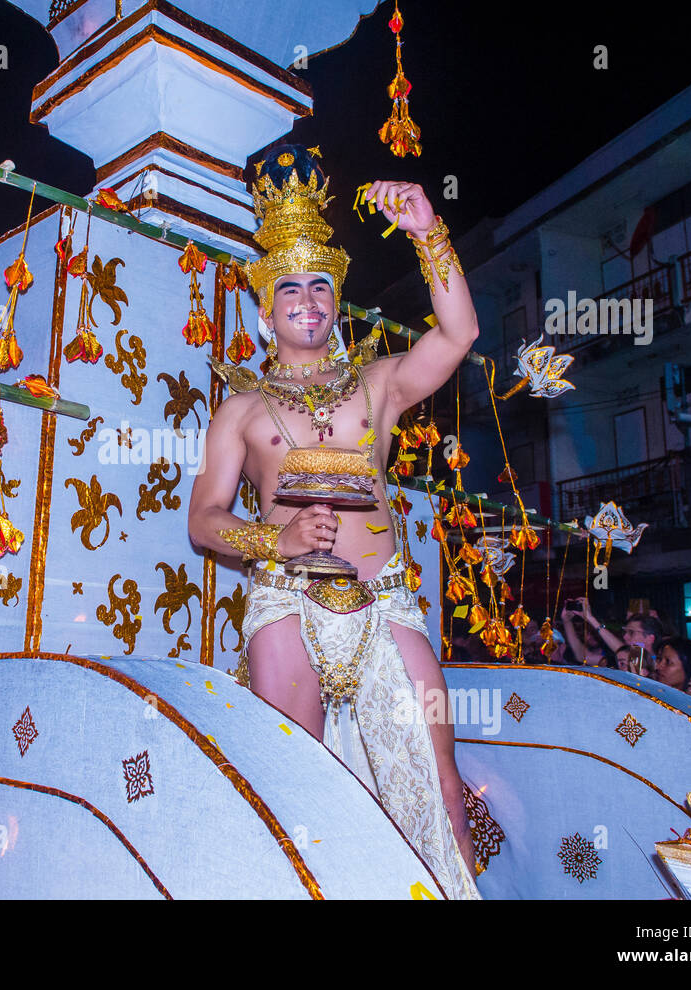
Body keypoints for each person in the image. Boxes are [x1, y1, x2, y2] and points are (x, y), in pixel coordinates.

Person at [189, 146, 480, 899]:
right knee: (294, 790)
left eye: (321, 284)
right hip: (286, 600)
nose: (309, 298)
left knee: (442, 787)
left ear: (336, 299)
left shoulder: (378, 385)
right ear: (266, 307)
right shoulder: (242, 410)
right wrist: (273, 541)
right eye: (291, 287)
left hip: (386, 600)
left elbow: (456, 338)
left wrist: (428, 232)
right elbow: (204, 521)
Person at [560, 598, 607, 665]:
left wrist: (590, 618)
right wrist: (566, 620)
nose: (590, 637)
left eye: (593, 632)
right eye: (586, 634)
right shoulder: (582, 658)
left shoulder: (613, 656)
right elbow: (583, 656)